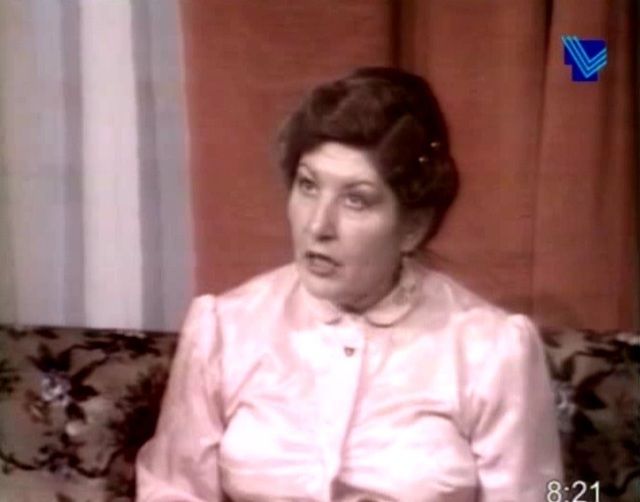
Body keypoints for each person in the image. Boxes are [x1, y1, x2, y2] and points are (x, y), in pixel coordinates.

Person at [135, 67, 563, 501]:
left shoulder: (491, 349)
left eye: (356, 200)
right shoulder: (225, 330)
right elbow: (171, 490)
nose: (318, 225)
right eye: (308, 185)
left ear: (413, 226)